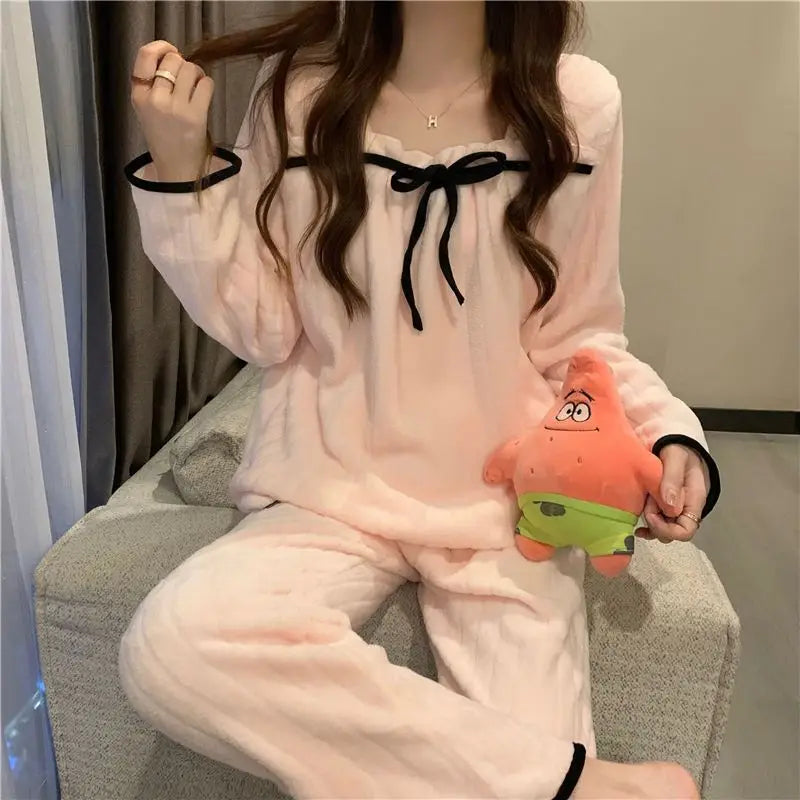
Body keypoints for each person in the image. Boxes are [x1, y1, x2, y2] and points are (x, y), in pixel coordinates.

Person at [119, 2, 720, 798]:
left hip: (504, 510)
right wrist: (180, 168)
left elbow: (579, 333)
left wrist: (669, 433)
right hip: (327, 489)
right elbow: (264, 327)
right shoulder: (297, 93)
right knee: (173, 646)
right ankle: (582, 787)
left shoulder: (579, 104)